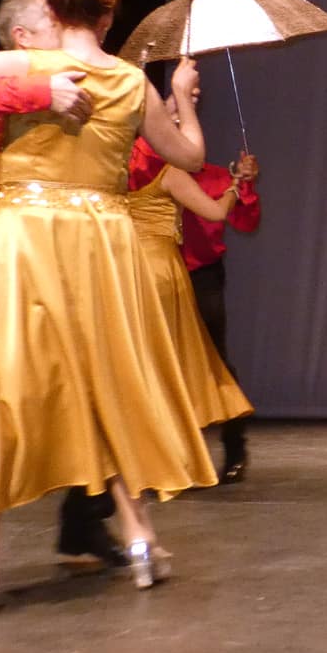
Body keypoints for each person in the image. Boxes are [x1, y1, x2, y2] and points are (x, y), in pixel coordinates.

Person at [0, 0, 222, 617]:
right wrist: (183, 99)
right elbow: (189, 156)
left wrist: (20, 73)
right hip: (101, 241)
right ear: (108, 13)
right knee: (105, 382)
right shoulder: (129, 81)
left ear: (55, 8)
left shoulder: (26, 64)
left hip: (22, 238)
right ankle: (139, 537)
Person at [0, 0, 125, 598]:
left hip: (62, 249)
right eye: (54, 23)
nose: (67, 30)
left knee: (88, 383)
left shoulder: (83, 80)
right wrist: (39, 92)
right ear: (23, 38)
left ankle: (84, 521)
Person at [129, 77, 263, 482]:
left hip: (197, 276)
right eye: (176, 101)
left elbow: (243, 220)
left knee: (209, 360)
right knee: (151, 364)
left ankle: (233, 443)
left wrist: (241, 184)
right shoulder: (135, 164)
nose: (183, 106)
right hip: (150, 275)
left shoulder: (207, 173)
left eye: (190, 102)